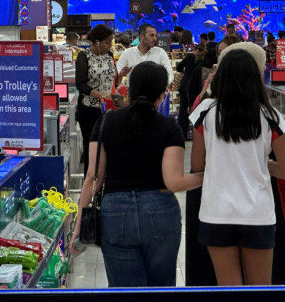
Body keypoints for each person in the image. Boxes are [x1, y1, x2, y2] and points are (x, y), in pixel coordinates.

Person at [72, 61, 203, 287]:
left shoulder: (106, 122)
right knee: (161, 290)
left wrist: (78, 225)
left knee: (125, 293)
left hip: (115, 213)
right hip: (161, 212)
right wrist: (208, 175)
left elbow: (93, 176)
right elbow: (174, 182)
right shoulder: (169, 127)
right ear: (162, 94)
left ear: (129, 90)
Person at [189, 49, 285, 286]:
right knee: (259, 291)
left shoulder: (204, 111)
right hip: (258, 215)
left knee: (229, 291)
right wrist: (258, 162)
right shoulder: (271, 116)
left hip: (216, 213)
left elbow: (197, 165)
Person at [75, 24, 116, 175]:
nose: (109, 46)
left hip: (108, 109)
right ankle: (90, 181)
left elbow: (111, 80)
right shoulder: (83, 56)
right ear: (97, 42)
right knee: (91, 148)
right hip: (89, 110)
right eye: (107, 42)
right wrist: (98, 94)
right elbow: (80, 84)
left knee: (108, 147)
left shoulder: (109, 56)